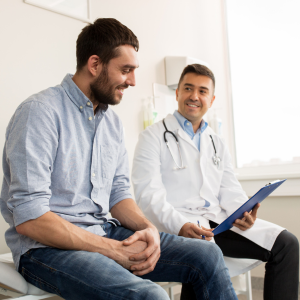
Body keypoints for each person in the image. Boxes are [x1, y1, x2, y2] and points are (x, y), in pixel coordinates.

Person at [0, 19, 238, 300]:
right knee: (152, 296)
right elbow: (31, 219)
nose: (133, 81)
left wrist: (149, 229)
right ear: (95, 64)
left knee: (207, 254)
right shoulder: (39, 113)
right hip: (45, 249)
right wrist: (111, 249)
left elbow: (118, 195)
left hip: (103, 231)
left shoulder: (111, 123)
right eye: (125, 70)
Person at [132, 63, 299, 300]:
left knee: (286, 244)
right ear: (177, 93)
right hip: (176, 225)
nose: (194, 96)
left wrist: (244, 211)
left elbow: (229, 188)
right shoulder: (152, 137)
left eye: (202, 91)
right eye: (188, 88)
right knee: (202, 257)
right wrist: (180, 225)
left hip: (217, 223)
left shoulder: (215, 142)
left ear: (211, 99)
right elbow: (148, 196)